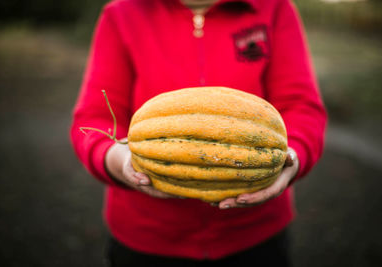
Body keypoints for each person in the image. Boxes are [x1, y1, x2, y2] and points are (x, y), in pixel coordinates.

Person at [70, 0, 327, 266]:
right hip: (147, 239)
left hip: (255, 235)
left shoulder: (274, 8)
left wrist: (292, 158)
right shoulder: (121, 14)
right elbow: (93, 119)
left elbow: (302, 107)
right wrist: (118, 160)